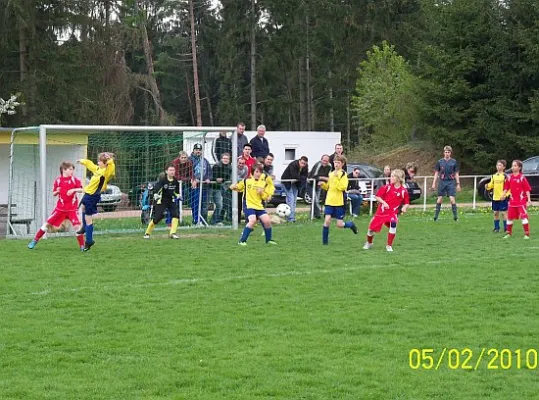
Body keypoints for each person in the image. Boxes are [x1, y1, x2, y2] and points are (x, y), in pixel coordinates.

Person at [28, 162, 85, 250]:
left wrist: (74, 189)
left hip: (72, 209)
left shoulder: (75, 180)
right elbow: (54, 193)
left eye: (72, 169)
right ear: (64, 170)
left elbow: (81, 189)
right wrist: (57, 191)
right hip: (60, 209)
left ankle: (82, 246)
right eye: (70, 169)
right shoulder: (58, 181)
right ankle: (34, 240)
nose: (72, 171)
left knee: (77, 226)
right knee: (47, 224)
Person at [76, 152, 116, 251]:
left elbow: (112, 167)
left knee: (88, 218)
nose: (98, 162)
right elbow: (90, 164)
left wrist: (109, 159)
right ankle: (84, 228)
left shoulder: (106, 172)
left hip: (93, 196)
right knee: (83, 208)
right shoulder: (98, 169)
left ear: (105, 163)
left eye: (100, 161)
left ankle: (89, 241)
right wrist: (82, 161)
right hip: (88, 194)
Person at [363, 169, 410, 252]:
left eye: (392, 176)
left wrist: (404, 207)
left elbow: (407, 203)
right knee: (371, 230)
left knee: (393, 223)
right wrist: (384, 203)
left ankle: (389, 245)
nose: (390, 178)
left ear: (398, 179)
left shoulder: (403, 191)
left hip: (392, 213)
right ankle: (369, 242)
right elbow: (377, 196)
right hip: (381, 212)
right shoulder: (387, 187)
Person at [230, 163, 277, 246]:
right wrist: (233, 187)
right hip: (249, 205)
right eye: (257, 172)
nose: (259, 174)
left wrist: (262, 192)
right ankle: (242, 241)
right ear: (252, 172)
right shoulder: (246, 181)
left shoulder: (262, 183)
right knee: (252, 220)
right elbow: (239, 187)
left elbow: (265, 197)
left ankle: (268, 240)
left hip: (259, 206)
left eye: (260, 172)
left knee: (267, 221)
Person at [319, 155, 358, 245]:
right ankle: (325, 243)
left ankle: (351, 224)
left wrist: (336, 179)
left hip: (339, 202)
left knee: (339, 225)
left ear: (342, 164)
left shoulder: (343, 175)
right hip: (329, 201)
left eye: (338, 163)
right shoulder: (331, 174)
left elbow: (342, 187)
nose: (336, 164)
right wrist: (323, 185)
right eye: (335, 162)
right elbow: (329, 186)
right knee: (327, 220)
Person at [144, 164, 181, 239]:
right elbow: (157, 189)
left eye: (173, 170)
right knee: (157, 218)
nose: (172, 172)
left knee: (175, 214)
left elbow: (176, 191)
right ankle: (147, 233)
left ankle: (173, 233)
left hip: (171, 200)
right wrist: (156, 195)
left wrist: (178, 195)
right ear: (166, 171)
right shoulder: (162, 180)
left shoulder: (175, 181)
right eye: (170, 170)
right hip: (162, 201)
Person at [502, 160, 532, 239]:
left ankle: (526, 234)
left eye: (515, 166)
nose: (513, 167)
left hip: (521, 201)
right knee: (510, 217)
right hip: (512, 201)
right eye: (512, 165)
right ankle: (508, 233)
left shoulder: (522, 178)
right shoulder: (509, 177)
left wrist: (529, 199)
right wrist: (503, 194)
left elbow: (527, 189)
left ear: (519, 168)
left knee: (523, 216)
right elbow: (506, 187)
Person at [432, 145, 460, 221]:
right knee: (439, 199)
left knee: (452, 199)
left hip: (450, 182)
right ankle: (436, 217)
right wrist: (434, 183)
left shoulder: (454, 162)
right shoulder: (440, 162)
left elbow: (456, 173)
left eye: (448, 152)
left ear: (450, 153)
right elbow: (436, 173)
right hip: (442, 182)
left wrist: (458, 184)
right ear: (443, 153)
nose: (447, 153)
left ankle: (455, 217)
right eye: (445, 152)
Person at [281, 156, 309, 222]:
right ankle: (290, 219)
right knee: (291, 199)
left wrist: (302, 178)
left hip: (295, 183)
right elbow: (294, 175)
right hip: (286, 182)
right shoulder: (293, 164)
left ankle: (292, 217)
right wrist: (302, 178)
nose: (303, 165)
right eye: (302, 163)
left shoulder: (306, 167)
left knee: (294, 200)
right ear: (299, 160)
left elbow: (305, 175)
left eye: (304, 164)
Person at [189, 143, 212, 225]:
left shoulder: (205, 160)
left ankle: (202, 220)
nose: (198, 151)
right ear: (193, 150)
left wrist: (208, 178)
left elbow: (209, 171)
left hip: (204, 186)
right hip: (194, 186)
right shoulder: (190, 160)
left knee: (203, 204)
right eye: (196, 150)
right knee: (195, 204)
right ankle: (195, 220)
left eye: (199, 150)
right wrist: (194, 179)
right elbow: (188, 172)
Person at [486, 160, 509, 233]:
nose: (498, 167)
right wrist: (487, 186)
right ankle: (496, 228)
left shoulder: (505, 176)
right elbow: (491, 185)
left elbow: (509, 187)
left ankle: (506, 229)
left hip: (502, 197)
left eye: (500, 165)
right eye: (497, 165)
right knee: (496, 213)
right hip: (495, 198)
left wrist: (505, 195)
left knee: (503, 213)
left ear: (504, 167)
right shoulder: (494, 176)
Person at [210, 153, 232, 225]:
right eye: (224, 158)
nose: (226, 160)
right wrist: (217, 179)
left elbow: (227, 178)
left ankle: (215, 221)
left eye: (227, 159)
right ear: (221, 159)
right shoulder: (216, 166)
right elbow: (213, 176)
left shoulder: (229, 167)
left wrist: (222, 180)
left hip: (219, 188)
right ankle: (200, 221)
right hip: (211, 187)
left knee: (220, 205)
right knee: (205, 205)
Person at [308, 154, 331, 219]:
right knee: (315, 200)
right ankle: (318, 216)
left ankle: (311, 216)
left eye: (326, 161)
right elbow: (313, 176)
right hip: (310, 184)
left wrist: (323, 180)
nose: (325, 162)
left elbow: (328, 177)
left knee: (316, 201)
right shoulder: (317, 165)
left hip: (319, 185)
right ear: (321, 160)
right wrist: (323, 178)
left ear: (328, 161)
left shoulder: (329, 166)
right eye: (324, 160)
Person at [236, 158, 249, 222]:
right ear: (237, 162)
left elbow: (245, 178)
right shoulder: (234, 167)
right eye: (239, 163)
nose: (241, 165)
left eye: (242, 163)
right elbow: (234, 178)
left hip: (240, 188)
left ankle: (238, 220)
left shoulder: (246, 168)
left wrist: (241, 181)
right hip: (233, 187)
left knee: (240, 204)